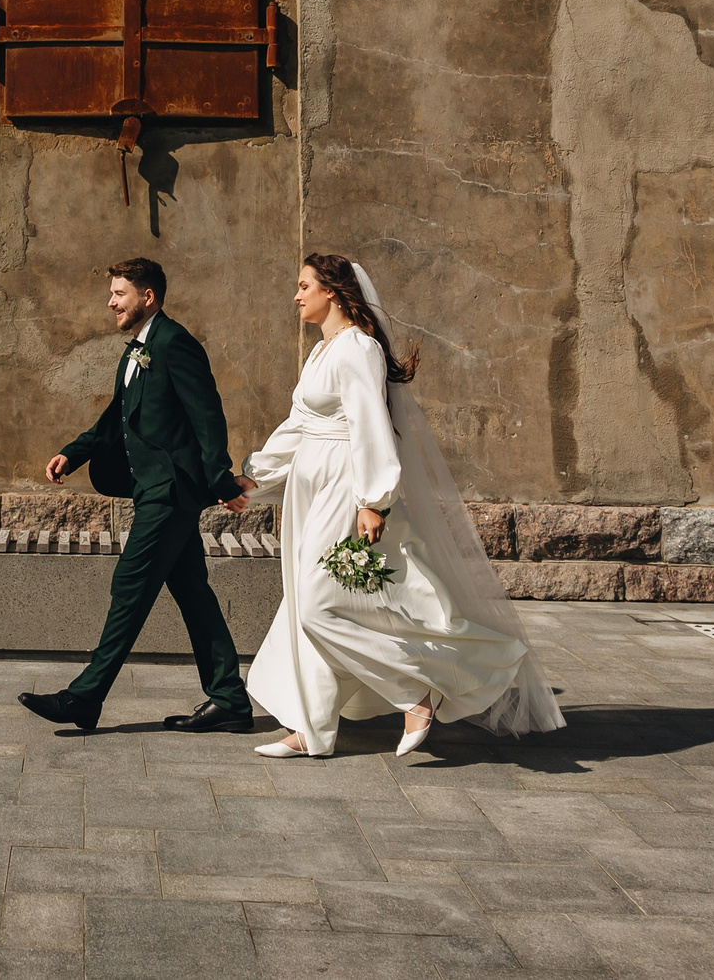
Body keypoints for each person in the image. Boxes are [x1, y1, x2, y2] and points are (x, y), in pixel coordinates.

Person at [239, 253, 563, 758]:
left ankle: (413, 691)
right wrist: (254, 477)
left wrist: (373, 501)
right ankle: (312, 730)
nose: (296, 295)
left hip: (342, 484)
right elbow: (300, 425)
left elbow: (370, 423)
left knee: (320, 603)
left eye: (304, 286)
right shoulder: (320, 353)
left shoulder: (357, 348)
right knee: (307, 602)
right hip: (310, 488)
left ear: (332, 291)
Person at [18, 258, 257, 734]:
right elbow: (117, 416)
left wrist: (220, 481)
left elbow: (207, 415)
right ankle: (230, 698)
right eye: (112, 293)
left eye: (119, 293)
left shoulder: (173, 343)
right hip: (153, 488)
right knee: (192, 591)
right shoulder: (138, 349)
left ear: (147, 297)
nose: (111, 302)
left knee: (131, 584)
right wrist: (74, 452)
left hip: (170, 491)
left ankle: (85, 697)